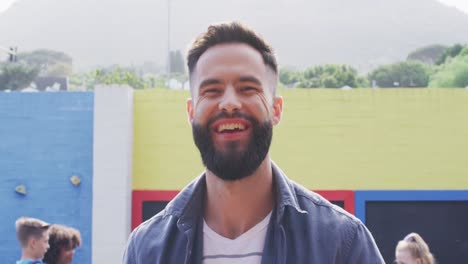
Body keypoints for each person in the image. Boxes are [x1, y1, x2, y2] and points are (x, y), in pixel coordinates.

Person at [123, 21, 384, 263]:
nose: (229, 103)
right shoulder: (147, 249)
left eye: (248, 88)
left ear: (276, 109)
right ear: (191, 112)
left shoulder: (342, 243)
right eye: (211, 91)